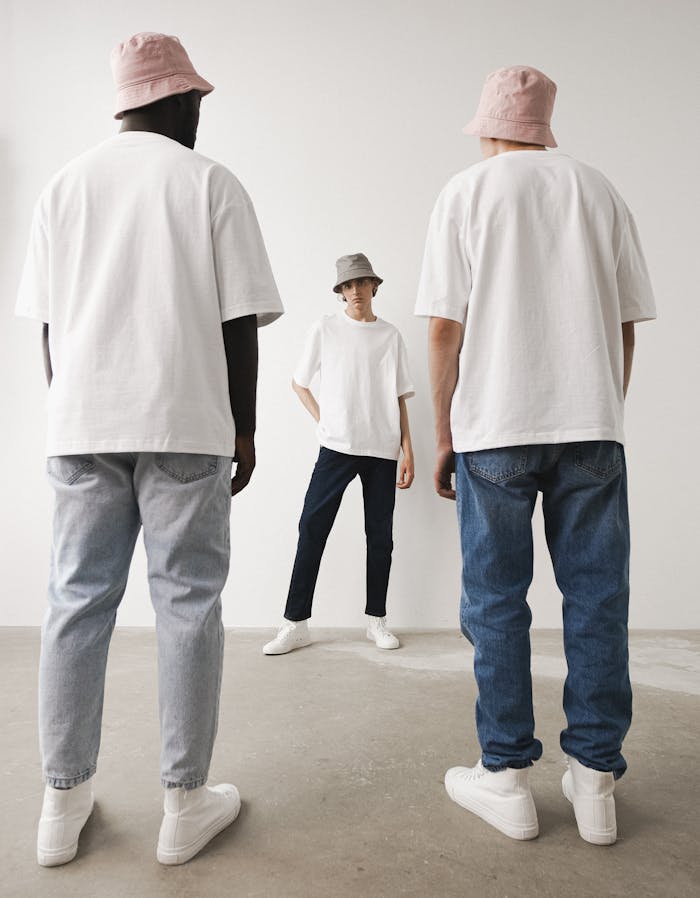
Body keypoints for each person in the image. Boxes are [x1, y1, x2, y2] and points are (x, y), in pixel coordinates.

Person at [15, 32, 283, 867]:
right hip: (184, 425)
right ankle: (183, 803)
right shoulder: (210, 184)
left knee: (76, 604)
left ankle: (61, 807)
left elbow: (53, 328)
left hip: (84, 424)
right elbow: (239, 324)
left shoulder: (64, 186)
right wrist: (243, 424)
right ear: (175, 100)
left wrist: (71, 410)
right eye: (195, 101)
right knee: (189, 606)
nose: (200, 112)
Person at [416, 66, 655, 844]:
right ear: (546, 126)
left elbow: (444, 328)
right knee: (596, 601)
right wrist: (605, 409)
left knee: (494, 601)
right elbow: (625, 322)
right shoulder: (598, 190)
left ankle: (507, 778)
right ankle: (594, 783)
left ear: (489, 126)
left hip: (496, 427)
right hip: (591, 425)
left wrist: (446, 431)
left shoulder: (467, 193)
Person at [263, 253, 415, 655]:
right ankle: (295, 623)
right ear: (340, 292)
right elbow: (299, 384)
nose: (356, 291)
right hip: (337, 446)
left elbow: (400, 397)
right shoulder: (325, 329)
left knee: (380, 537)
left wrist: (408, 449)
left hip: (382, 448)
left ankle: (376, 620)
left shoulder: (390, 335)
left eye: (362, 283)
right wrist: (323, 420)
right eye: (348, 285)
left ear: (374, 287)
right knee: (312, 527)